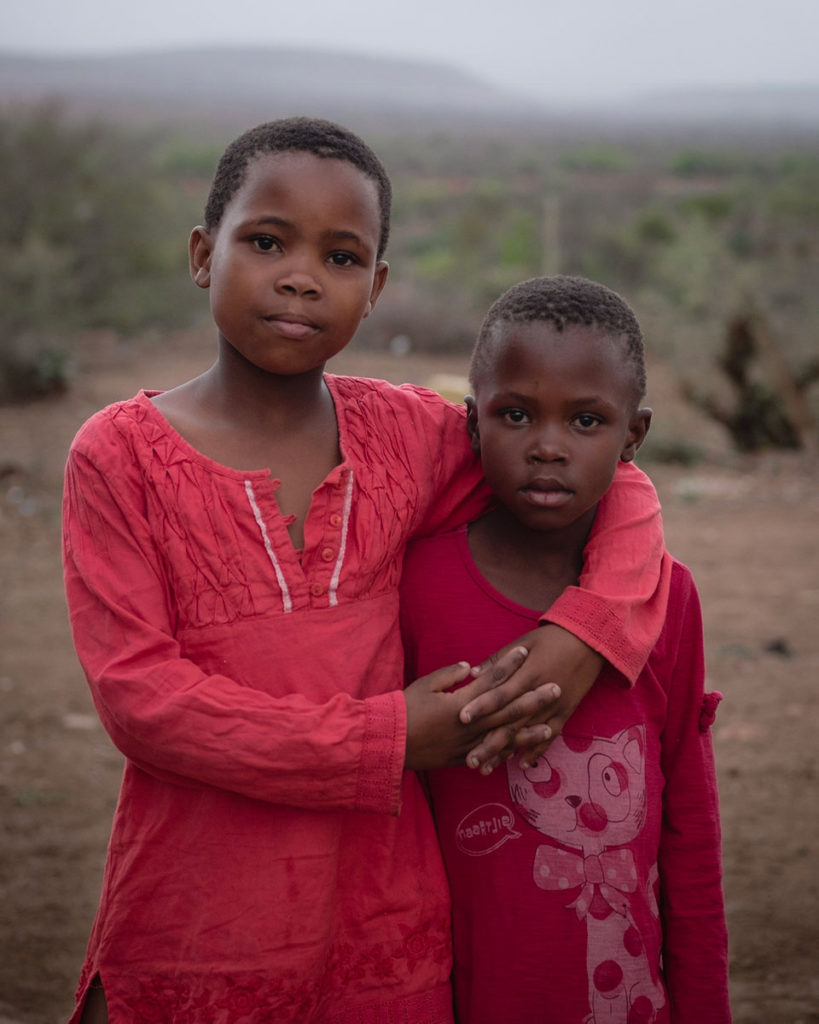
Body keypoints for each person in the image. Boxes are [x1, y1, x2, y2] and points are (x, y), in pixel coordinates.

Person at [62, 120, 670, 1024]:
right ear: (202, 253)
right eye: (266, 242)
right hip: (196, 926)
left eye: (341, 256)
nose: (301, 275)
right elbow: (142, 703)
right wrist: (386, 742)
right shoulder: (119, 457)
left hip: (387, 938)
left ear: (375, 288)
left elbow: (612, 482)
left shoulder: (411, 437)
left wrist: (584, 635)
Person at [400, 276, 731, 1023]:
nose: (547, 447)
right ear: (471, 420)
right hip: (449, 991)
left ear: (633, 436)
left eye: (586, 421)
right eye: (514, 415)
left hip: (624, 997)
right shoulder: (416, 585)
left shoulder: (667, 598)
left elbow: (688, 820)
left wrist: (703, 1003)